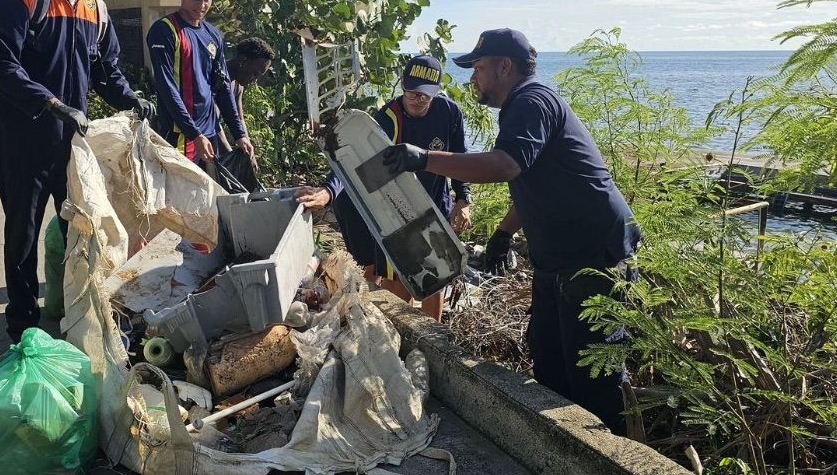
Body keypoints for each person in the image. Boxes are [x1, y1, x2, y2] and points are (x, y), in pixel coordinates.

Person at [380, 28, 642, 435]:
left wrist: (423, 158)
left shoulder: (531, 100)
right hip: (558, 258)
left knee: (595, 377)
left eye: (479, 68)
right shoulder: (521, 106)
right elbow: (533, 182)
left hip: (595, 257)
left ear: (505, 67)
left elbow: (505, 166)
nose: (473, 79)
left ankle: (613, 456)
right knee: (550, 366)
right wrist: (503, 233)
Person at [0, 0, 155, 342]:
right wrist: (52, 103)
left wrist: (130, 98)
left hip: (72, 146)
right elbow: (1, 65)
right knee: (21, 235)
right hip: (25, 141)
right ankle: (23, 326)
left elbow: (104, 70)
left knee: (80, 232)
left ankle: (75, 314)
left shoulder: (95, 8)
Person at [296, 55, 472, 321]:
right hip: (396, 211)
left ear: (436, 91)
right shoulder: (389, 118)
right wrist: (328, 191)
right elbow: (354, 162)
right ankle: (395, 331)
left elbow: (459, 158)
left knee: (438, 274)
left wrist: (464, 198)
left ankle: (435, 333)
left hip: (434, 204)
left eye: (424, 96)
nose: (416, 100)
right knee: (399, 281)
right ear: (402, 84)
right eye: (411, 93)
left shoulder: (449, 113)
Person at [148, 0, 253, 167]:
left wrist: (239, 134)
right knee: (180, 196)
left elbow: (222, 86)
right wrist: (193, 134)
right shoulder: (165, 31)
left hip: (208, 133)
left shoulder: (213, 35)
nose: (202, 5)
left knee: (209, 195)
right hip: (181, 134)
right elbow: (166, 86)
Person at [215, 37, 274, 155]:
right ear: (243, 60)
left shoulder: (237, 86)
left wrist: (249, 152)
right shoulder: (215, 79)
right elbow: (213, 124)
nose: (254, 80)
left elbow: (239, 119)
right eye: (255, 73)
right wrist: (231, 156)